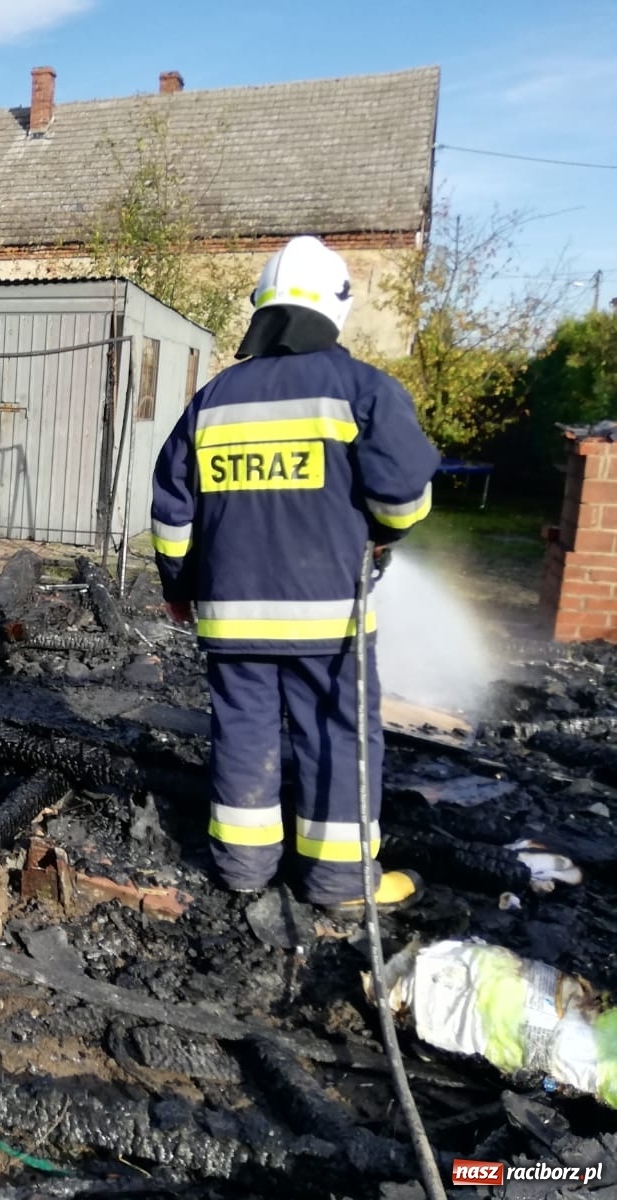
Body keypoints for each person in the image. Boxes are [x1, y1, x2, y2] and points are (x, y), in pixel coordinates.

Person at [149, 235, 439, 912]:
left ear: (262, 307)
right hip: (327, 619)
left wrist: (176, 588)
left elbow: (170, 511)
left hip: (229, 616)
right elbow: (401, 499)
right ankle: (337, 884)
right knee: (336, 734)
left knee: (242, 732)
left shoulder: (213, 399)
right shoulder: (363, 390)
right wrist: (382, 535)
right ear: (336, 308)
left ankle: (243, 868)